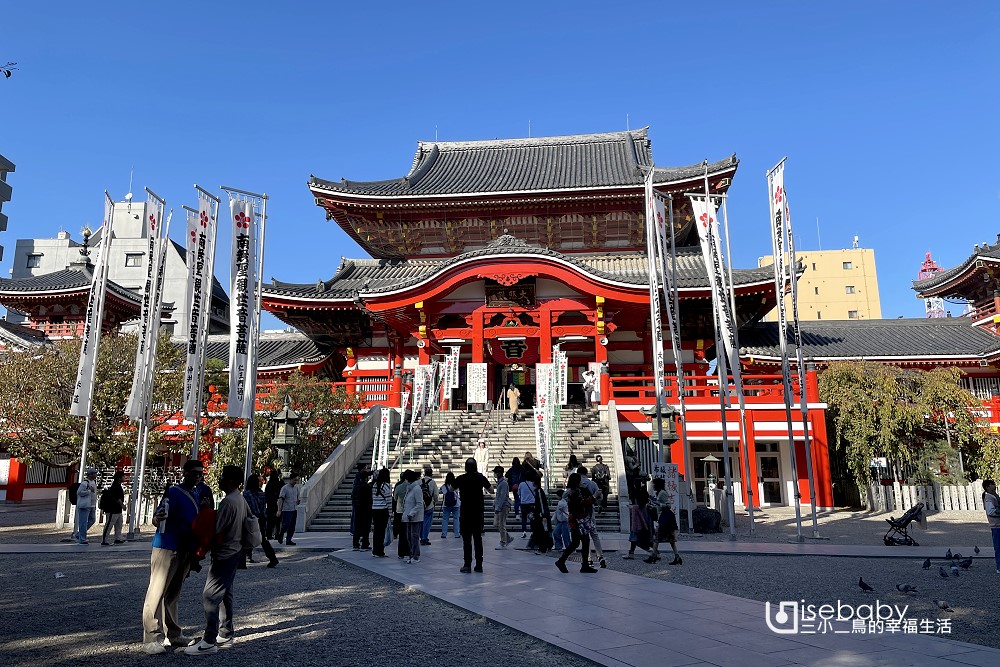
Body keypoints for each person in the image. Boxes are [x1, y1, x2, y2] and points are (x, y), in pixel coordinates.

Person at [140, 459, 210, 655]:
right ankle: (151, 637)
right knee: (157, 591)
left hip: (185, 548)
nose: (197, 476)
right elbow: (159, 515)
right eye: (194, 472)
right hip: (168, 545)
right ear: (185, 472)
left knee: (173, 593)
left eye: (200, 473)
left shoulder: (196, 493)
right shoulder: (173, 492)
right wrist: (156, 519)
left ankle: (173, 633)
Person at [184, 465, 249, 655]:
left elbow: (217, 529)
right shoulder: (240, 499)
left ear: (228, 480)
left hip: (224, 552)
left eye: (222, 477)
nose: (219, 480)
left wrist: (205, 511)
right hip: (235, 549)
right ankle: (226, 631)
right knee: (225, 592)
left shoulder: (228, 502)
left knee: (210, 595)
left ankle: (209, 640)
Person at [555, 473, 597, 574]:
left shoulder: (572, 492)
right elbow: (580, 503)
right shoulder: (574, 493)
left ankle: (564, 561)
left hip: (575, 519)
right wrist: (593, 498)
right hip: (578, 520)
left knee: (576, 542)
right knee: (584, 541)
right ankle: (583, 565)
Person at [455, 457, 492, 573]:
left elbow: (451, 488)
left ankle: (467, 564)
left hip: (465, 511)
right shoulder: (480, 477)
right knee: (478, 539)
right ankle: (479, 564)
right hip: (477, 512)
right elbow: (491, 490)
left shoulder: (461, 478)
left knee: (466, 539)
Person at [243, 474, 278, 568]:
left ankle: (242, 561)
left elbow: (248, 507)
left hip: (251, 517)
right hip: (261, 518)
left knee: (245, 537)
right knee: (262, 539)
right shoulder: (261, 493)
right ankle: (272, 558)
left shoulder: (247, 494)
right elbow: (263, 507)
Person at [645, 476, 682, 565]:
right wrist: (653, 507)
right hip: (664, 518)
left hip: (664, 519)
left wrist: (657, 503)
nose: (653, 486)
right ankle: (677, 557)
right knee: (671, 540)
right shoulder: (660, 493)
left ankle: (653, 556)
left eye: (654, 484)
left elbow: (668, 505)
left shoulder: (662, 493)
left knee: (657, 538)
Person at [577, 466, 607, 568]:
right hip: (590, 511)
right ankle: (600, 556)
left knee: (584, 537)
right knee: (594, 534)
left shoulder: (576, 485)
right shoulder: (592, 484)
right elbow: (600, 496)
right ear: (586, 473)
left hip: (580, 513)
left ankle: (588, 558)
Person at [623, 486, 652, 560]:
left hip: (637, 524)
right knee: (647, 538)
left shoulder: (636, 506)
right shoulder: (645, 506)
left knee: (634, 538)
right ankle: (656, 552)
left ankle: (631, 553)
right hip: (645, 523)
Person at [402, 469, 424, 563]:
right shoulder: (410, 488)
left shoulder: (416, 489)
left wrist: (412, 513)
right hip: (409, 516)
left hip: (415, 516)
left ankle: (416, 555)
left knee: (414, 536)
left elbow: (419, 503)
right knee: (409, 537)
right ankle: (411, 554)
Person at [370, 468, 392, 558]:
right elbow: (389, 500)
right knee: (382, 531)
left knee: (376, 531)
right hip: (383, 510)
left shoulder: (375, 485)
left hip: (375, 509)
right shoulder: (386, 486)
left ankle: (375, 550)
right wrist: (390, 512)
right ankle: (380, 551)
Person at [100, 470, 125, 546]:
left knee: (119, 524)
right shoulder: (115, 486)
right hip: (112, 509)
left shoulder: (118, 486)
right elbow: (117, 498)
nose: (124, 478)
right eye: (123, 476)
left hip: (117, 509)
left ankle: (118, 538)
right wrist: (122, 505)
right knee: (109, 524)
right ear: (119, 478)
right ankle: (104, 540)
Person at [351, 463, 373, 551]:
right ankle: (365, 543)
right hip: (365, 508)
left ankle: (356, 544)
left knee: (357, 525)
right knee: (365, 526)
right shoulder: (366, 486)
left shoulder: (356, 483)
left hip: (357, 506)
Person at [275, 473, 300, 546]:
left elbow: (297, 498)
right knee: (286, 524)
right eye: (294, 480)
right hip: (286, 509)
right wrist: (279, 510)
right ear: (291, 479)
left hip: (294, 508)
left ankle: (289, 539)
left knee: (292, 526)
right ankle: (281, 534)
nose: (295, 482)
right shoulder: (285, 488)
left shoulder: (296, 488)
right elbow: (280, 499)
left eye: (296, 480)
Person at [75, 467, 98, 545]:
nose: (96, 475)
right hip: (85, 505)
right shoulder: (85, 483)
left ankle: (79, 534)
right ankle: (82, 539)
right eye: (94, 473)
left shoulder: (93, 482)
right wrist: (88, 491)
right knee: (83, 522)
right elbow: (79, 492)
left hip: (92, 505)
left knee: (92, 520)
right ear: (90, 474)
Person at [982, 479, 1000, 573]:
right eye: (992, 484)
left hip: (998, 525)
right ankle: (999, 567)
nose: (994, 485)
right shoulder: (989, 497)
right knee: (998, 547)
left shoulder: (994, 496)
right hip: (996, 525)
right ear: (988, 486)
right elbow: (990, 511)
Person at [393, 471, 411, 558]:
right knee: (408, 532)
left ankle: (401, 552)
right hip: (408, 511)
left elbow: (395, 498)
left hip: (399, 511)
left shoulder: (398, 487)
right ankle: (408, 550)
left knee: (402, 533)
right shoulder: (410, 487)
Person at [492, 465, 511, 549]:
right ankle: (507, 538)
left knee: (501, 524)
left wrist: (498, 507)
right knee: (497, 524)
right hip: (500, 505)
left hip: (503, 506)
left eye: (496, 472)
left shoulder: (503, 483)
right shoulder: (500, 482)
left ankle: (503, 541)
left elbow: (503, 496)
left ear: (499, 473)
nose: (494, 474)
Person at [419, 465, 438, 546]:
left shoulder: (419, 481)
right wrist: (435, 502)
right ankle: (424, 538)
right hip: (429, 505)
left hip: (420, 504)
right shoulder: (433, 482)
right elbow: (436, 495)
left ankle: (421, 536)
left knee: (420, 522)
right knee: (427, 522)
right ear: (431, 474)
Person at [439, 472, 461, 539]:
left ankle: (444, 534)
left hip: (446, 505)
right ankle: (457, 533)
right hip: (456, 504)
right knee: (456, 519)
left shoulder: (444, 486)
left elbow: (441, 492)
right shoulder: (456, 485)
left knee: (445, 519)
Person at [517, 468, 537, 539]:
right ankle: (532, 531)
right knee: (532, 517)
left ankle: (524, 531)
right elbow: (535, 493)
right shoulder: (533, 484)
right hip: (531, 503)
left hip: (523, 503)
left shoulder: (521, 484)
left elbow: (518, 493)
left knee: (524, 518)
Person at [263, 470, 282, 539]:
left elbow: (266, 494)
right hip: (277, 503)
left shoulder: (269, 484)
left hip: (270, 504)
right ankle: (277, 534)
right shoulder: (278, 483)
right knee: (277, 521)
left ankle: (269, 535)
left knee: (270, 521)